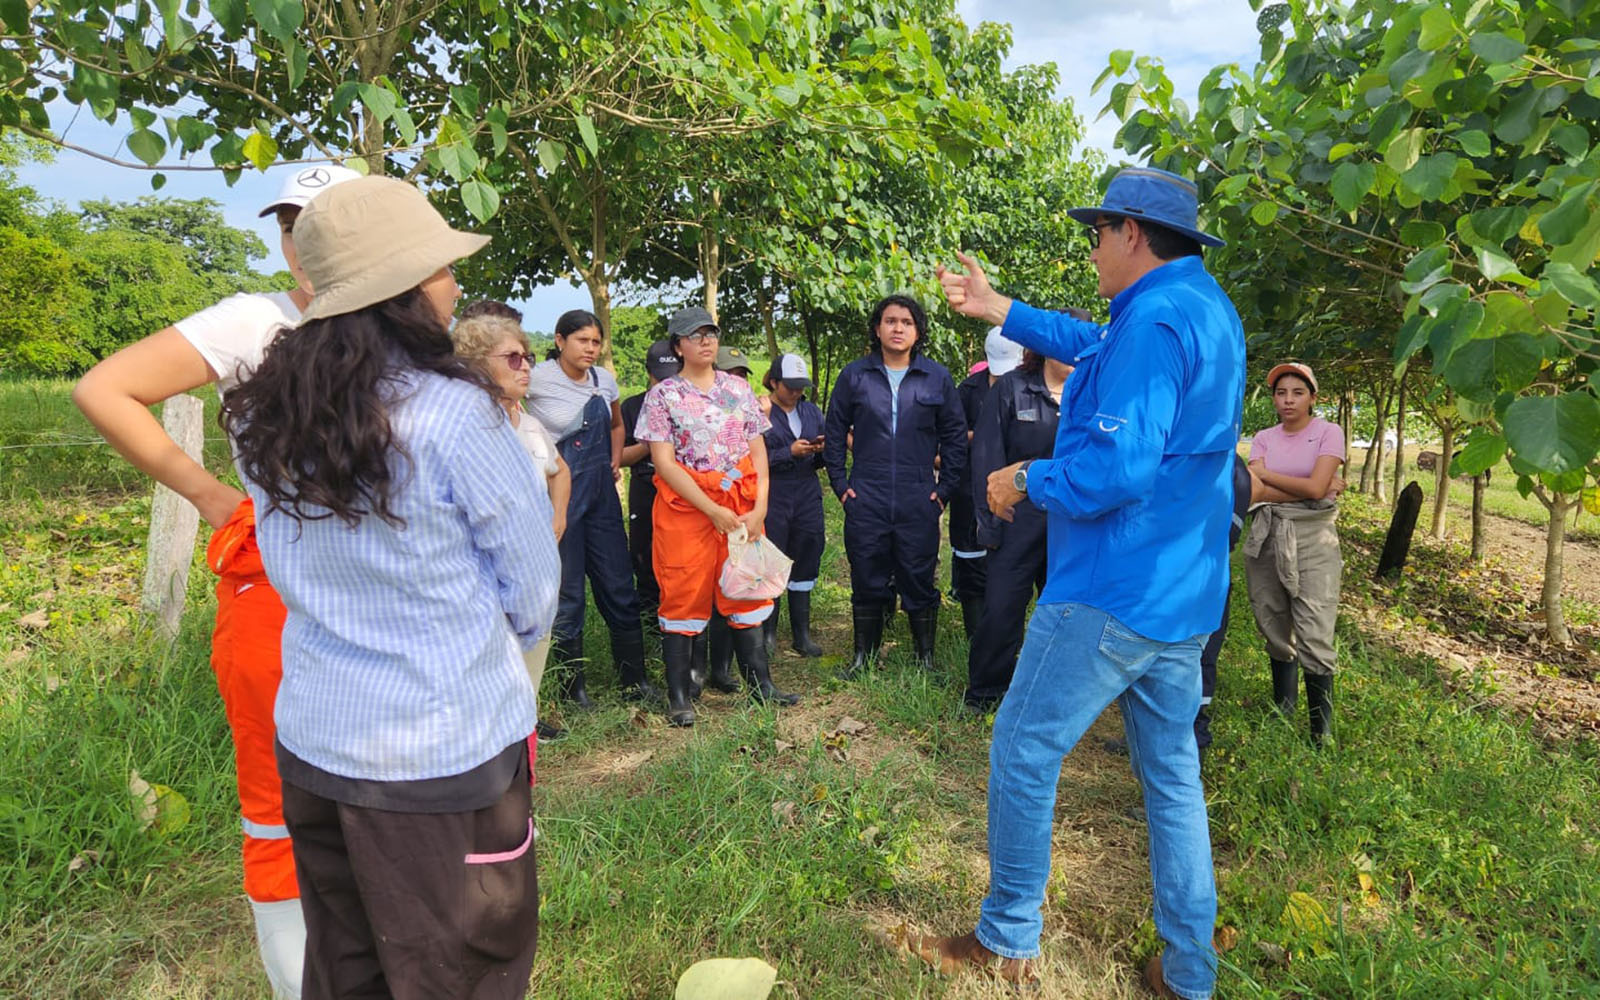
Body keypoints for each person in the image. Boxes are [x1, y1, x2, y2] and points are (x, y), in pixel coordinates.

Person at [222, 176, 557, 1000]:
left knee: (345, 964)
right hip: (443, 755)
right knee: (464, 969)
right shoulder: (455, 413)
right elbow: (534, 592)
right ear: (407, 289)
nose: (454, 285)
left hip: (315, 738)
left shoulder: (261, 411)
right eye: (443, 268)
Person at [925, 165, 1244, 1000]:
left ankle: (1007, 936)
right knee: (1172, 777)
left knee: (1024, 746)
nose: (1093, 248)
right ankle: (1187, 971)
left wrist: (1025, 481)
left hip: (1113, 589)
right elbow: (1091, 344)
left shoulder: (1153, 321)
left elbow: (1117, 469)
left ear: (1130, 233)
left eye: (1097, 233)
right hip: (1183, 596)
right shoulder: (1200, 306)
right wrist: (1000, 309)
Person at [71, 162, 362, 999]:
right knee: (279, 800)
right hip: (279, 591)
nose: (302, 246)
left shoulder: (404, 328)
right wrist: (211, 496)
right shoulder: (255, 322)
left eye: (326, 224)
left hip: (389, 598)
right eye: (289, 228)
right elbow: (106, 387)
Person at [636, 306, 800, 726]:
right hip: (686, 509)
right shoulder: (664, 395)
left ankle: (761, 685)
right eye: (695, 335)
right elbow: (664, 462)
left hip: (741, 502)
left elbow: (757, 450)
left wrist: (760, 505)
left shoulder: (737, 389)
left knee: (746, 588)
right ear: (678, 346)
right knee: (682, 591)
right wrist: (710, 510)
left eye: (711, 332)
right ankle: (679, 698)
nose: (706, 340)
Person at [823, 294, 968, 676]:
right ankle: (862, 658)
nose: (898, 328)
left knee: (918, 574)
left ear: (918, 331)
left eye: (906, 322)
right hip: (866, 492)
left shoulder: (936, 377)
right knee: (866, 572)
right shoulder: (855, 376)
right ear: (877, 328)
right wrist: (840, 484)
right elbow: (834, 431)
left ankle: (926, 659)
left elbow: (954, 436)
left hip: (918, 492)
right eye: (890, 321)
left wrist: (945, 489)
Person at [452, 309, 574, 741]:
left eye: (529, 357)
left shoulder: (531, 426)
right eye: (513, 358)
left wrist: (556, 518)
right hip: (486, 595)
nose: (525, 367)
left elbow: (559, 471)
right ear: (475, 363)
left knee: (523, 694)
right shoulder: (465, 430)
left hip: (533, 590)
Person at [526, 309, 652, 706]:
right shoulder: (538, 378)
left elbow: (617, 426)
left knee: (618, 584)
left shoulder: (604, 381)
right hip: (558, 496)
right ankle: (572, 689)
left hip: (601, 497)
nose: (591, 348)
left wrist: (615, 459)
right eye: (582, 340)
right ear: (560, 341)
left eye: (596, 341)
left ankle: (635, 680)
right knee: (568, 592)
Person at [963, 345, 1074, 713]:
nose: (1073, 355)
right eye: (1065, 345)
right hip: (1017, 517)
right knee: (1002, 607)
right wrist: (990, 520)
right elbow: (986, 456)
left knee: (1065, 612)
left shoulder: (1094, 392)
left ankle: (1051, 695)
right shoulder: (1012, 388)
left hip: (1071, 522)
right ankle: (987, 691)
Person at [1244, 362, 1345, 746]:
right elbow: (1256, 491)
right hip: (1268, 533)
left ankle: (1321, 731)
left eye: (1297, 392)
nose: (1288, 400)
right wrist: (1313, 487)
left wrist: (1270, 478)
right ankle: (1282, 707)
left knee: (1315, 622)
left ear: (1313, 398)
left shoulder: (1327, 432)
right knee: (1271, 614)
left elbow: (1318, 487)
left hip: (1313, 536)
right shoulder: (1264, 436)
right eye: (1281, 392)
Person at [949, 328, 1023, 641]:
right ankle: (975, 633)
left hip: (1015, 491)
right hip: (970, 487)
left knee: (1008, 563)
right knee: (970, 558)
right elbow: (951, 436)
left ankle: (1007, 632)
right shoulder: (968, 390)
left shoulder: (1027, 387)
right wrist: (982, 437)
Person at [761, 353, 828, 658]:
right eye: (790, 386)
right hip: (774, 492)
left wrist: (822, 450)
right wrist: (789, 451)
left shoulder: (811, 411)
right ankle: (768, 634)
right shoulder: (760, 412)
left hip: (806, 492)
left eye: (801, 386)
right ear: (774, 382)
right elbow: (752, 460)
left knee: (807, 553)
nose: (796, 392)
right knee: (773, 559)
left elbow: (826, 456)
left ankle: (802, 634)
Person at [619, 339, 683, 623]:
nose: (665, 386)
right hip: (646, 485)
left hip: (684, 489)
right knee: (644, 553)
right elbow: (617, 456)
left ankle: (682, 617)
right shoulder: (633, 407)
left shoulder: (690, 403)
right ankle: (649, 623)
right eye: (660, 378)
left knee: (682, 555)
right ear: (648, 372)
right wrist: (649, 444)